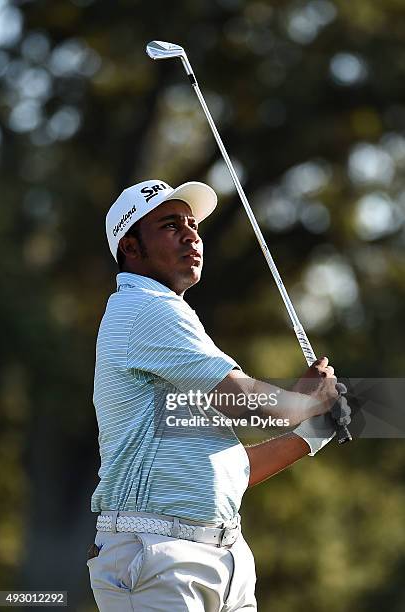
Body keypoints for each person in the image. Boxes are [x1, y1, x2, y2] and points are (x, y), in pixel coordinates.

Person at [87, 179, 346, 611]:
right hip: (158, 555)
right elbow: (241, 401)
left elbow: (230, 469)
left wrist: (314, 431)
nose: (191, 235)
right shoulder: (144, 309)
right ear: (131, 249)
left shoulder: (169, 326)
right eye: (171, 225)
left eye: (192, 224)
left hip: (222, 557)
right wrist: (307, 400)